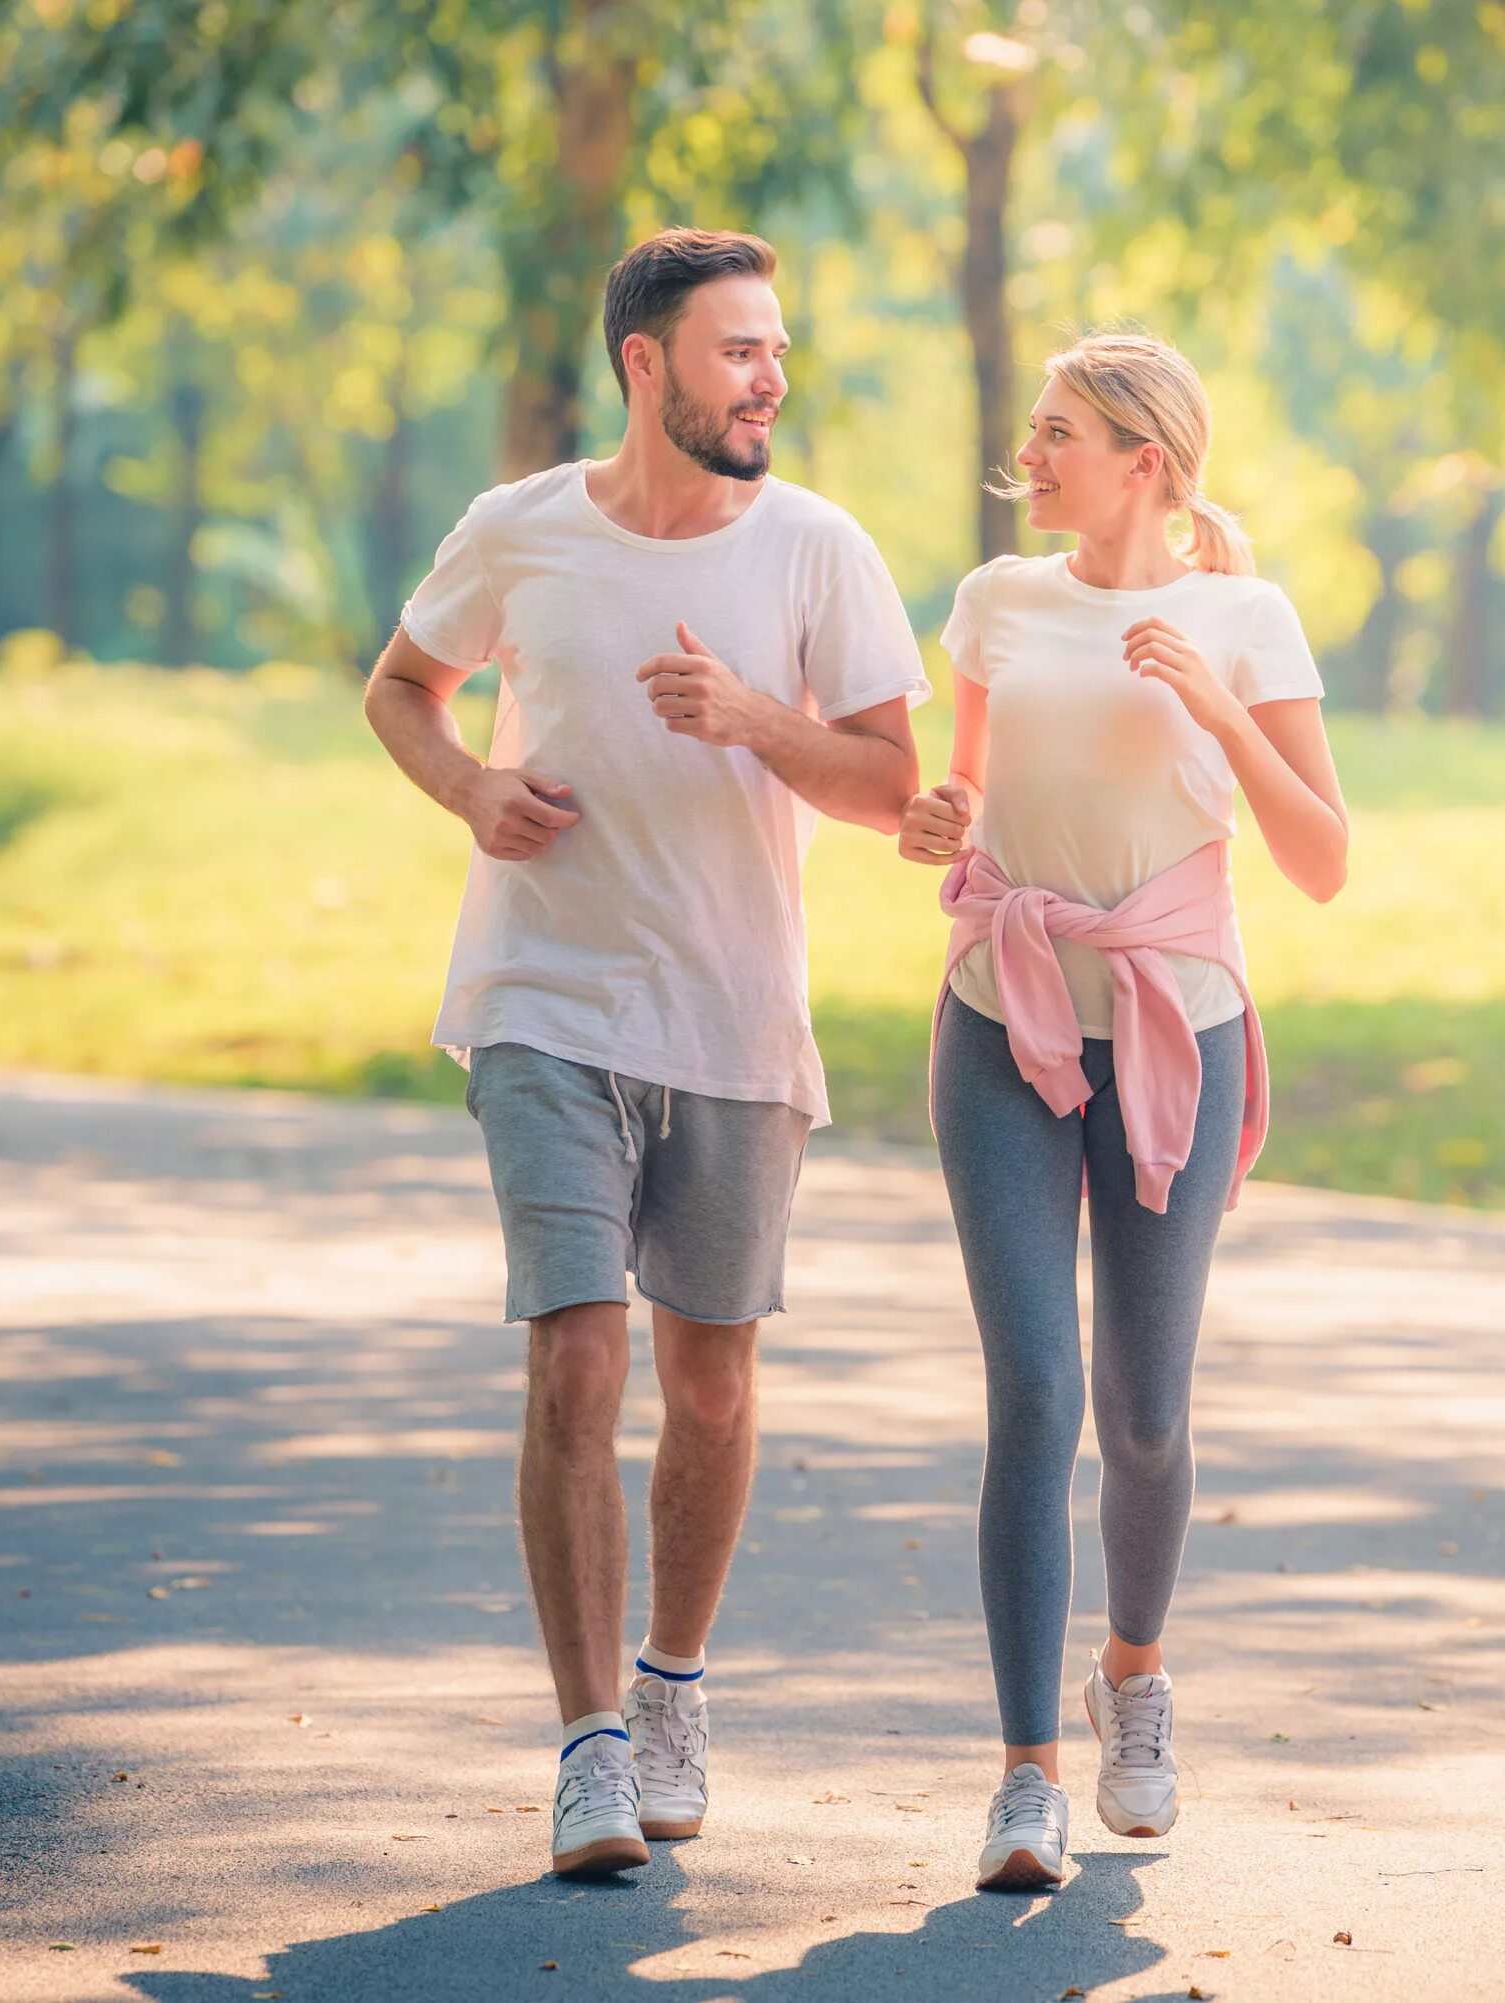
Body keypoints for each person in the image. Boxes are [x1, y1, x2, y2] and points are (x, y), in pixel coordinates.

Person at [363, 227, 928, 1879]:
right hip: (544, 1000)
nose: (768, 379)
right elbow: (403, 686)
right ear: (645, 364)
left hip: (736, 1019)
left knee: (712, 1380)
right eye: (738, 350)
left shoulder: (820, 550)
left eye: (774, 351)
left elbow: (897, 789)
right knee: (578, 1356)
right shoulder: (519, 531)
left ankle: (674, 1689)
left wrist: (756, 721)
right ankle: (591, 1742)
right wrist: (472, 789)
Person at [897, 330, 1350, 1891]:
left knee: (1144, 1410)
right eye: (1035, 427)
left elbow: (1321, 857)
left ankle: (1135, 1684)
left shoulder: (1245, 616)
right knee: (1035, 1392)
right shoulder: (997, 601)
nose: (1034, 452)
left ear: (1144, 460)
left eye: (1062, 431)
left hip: (1178, 1024)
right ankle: (1025, 1774)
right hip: (1002, 1016)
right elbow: (946, 811)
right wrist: (933, 819)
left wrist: (1219, 712)